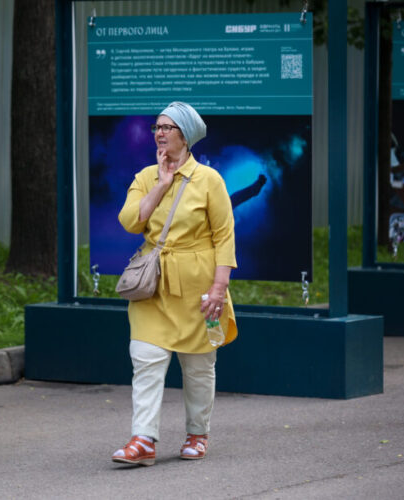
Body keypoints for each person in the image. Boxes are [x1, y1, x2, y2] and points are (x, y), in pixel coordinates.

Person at [112, 102, 238, 465]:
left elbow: (224, 236)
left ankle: (198, 434)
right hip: (153, 285)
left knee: (198, 366)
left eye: (168, 127)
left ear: (186, 136)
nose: (160, 133)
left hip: (199, 288)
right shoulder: (146, 177)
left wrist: (219, 289)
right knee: (145, 358)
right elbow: (130, 222)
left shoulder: (209, 180)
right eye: (157, 127)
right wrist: (162, 185)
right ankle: (143, 440)